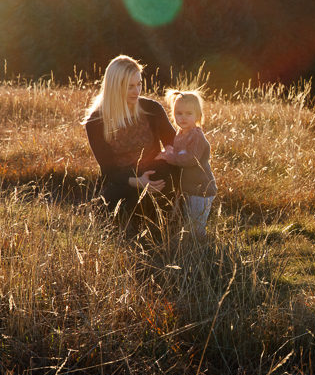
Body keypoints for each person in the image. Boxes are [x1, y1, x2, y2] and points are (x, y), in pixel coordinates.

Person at [83, 55, 179, 215]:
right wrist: (139, 182)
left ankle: (170, 217)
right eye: (130, 86)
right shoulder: (96, 122)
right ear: (114, 87)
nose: (137, 91)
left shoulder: (152, 109)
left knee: (171, 174)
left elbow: (174, 142)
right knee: (113, 209)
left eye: (139, 84)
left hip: (154, 174)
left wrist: (169, 151)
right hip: (122, 182)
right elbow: (109, 170)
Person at [158, 90, 217, 238]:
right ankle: (187, 244)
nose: (183, 117)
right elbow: (178, 153)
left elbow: (191, 159)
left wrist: (170, 158)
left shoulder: (196, 136)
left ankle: (202, 250)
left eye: (188, 113)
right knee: (187, 221)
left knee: (197, 226)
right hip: (188, 189)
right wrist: (167, 153)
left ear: (198, 116)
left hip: (201, 189)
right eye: (179, 113)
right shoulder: (180, 133)